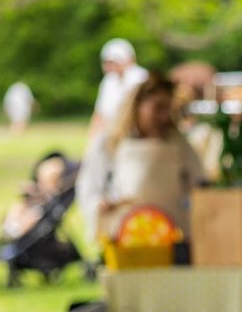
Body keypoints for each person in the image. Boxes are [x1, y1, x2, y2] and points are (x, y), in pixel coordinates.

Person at [86, 72, 205, 242]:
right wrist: (102, 205)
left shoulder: (179, 143)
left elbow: (198, 181)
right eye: (158, 108)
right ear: (137, 105)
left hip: (171, 235)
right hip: (126, 237)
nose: (164, 117)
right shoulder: (110, 142)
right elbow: (90, 188)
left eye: (168, 109)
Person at [77, 38, 150, 241]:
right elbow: (100, 115)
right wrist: (91, 144)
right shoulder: (108, 82)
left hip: (131, 144)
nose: (110, 66)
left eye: (114, 61)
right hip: (109, 142)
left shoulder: (139, 79)